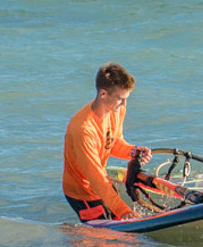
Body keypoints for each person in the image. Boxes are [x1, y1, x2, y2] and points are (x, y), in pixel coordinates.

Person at [62, 62, 151, 222]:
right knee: (102, 242)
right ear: (103, 94)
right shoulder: (83, 129)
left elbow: (113, 143)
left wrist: (133, 151)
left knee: (123, 235)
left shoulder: (116, 110)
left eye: (126, 99)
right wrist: (124, 211)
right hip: (81, 192)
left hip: (101, 184)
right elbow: (95, 176)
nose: (124, 105)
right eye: (120, 99)